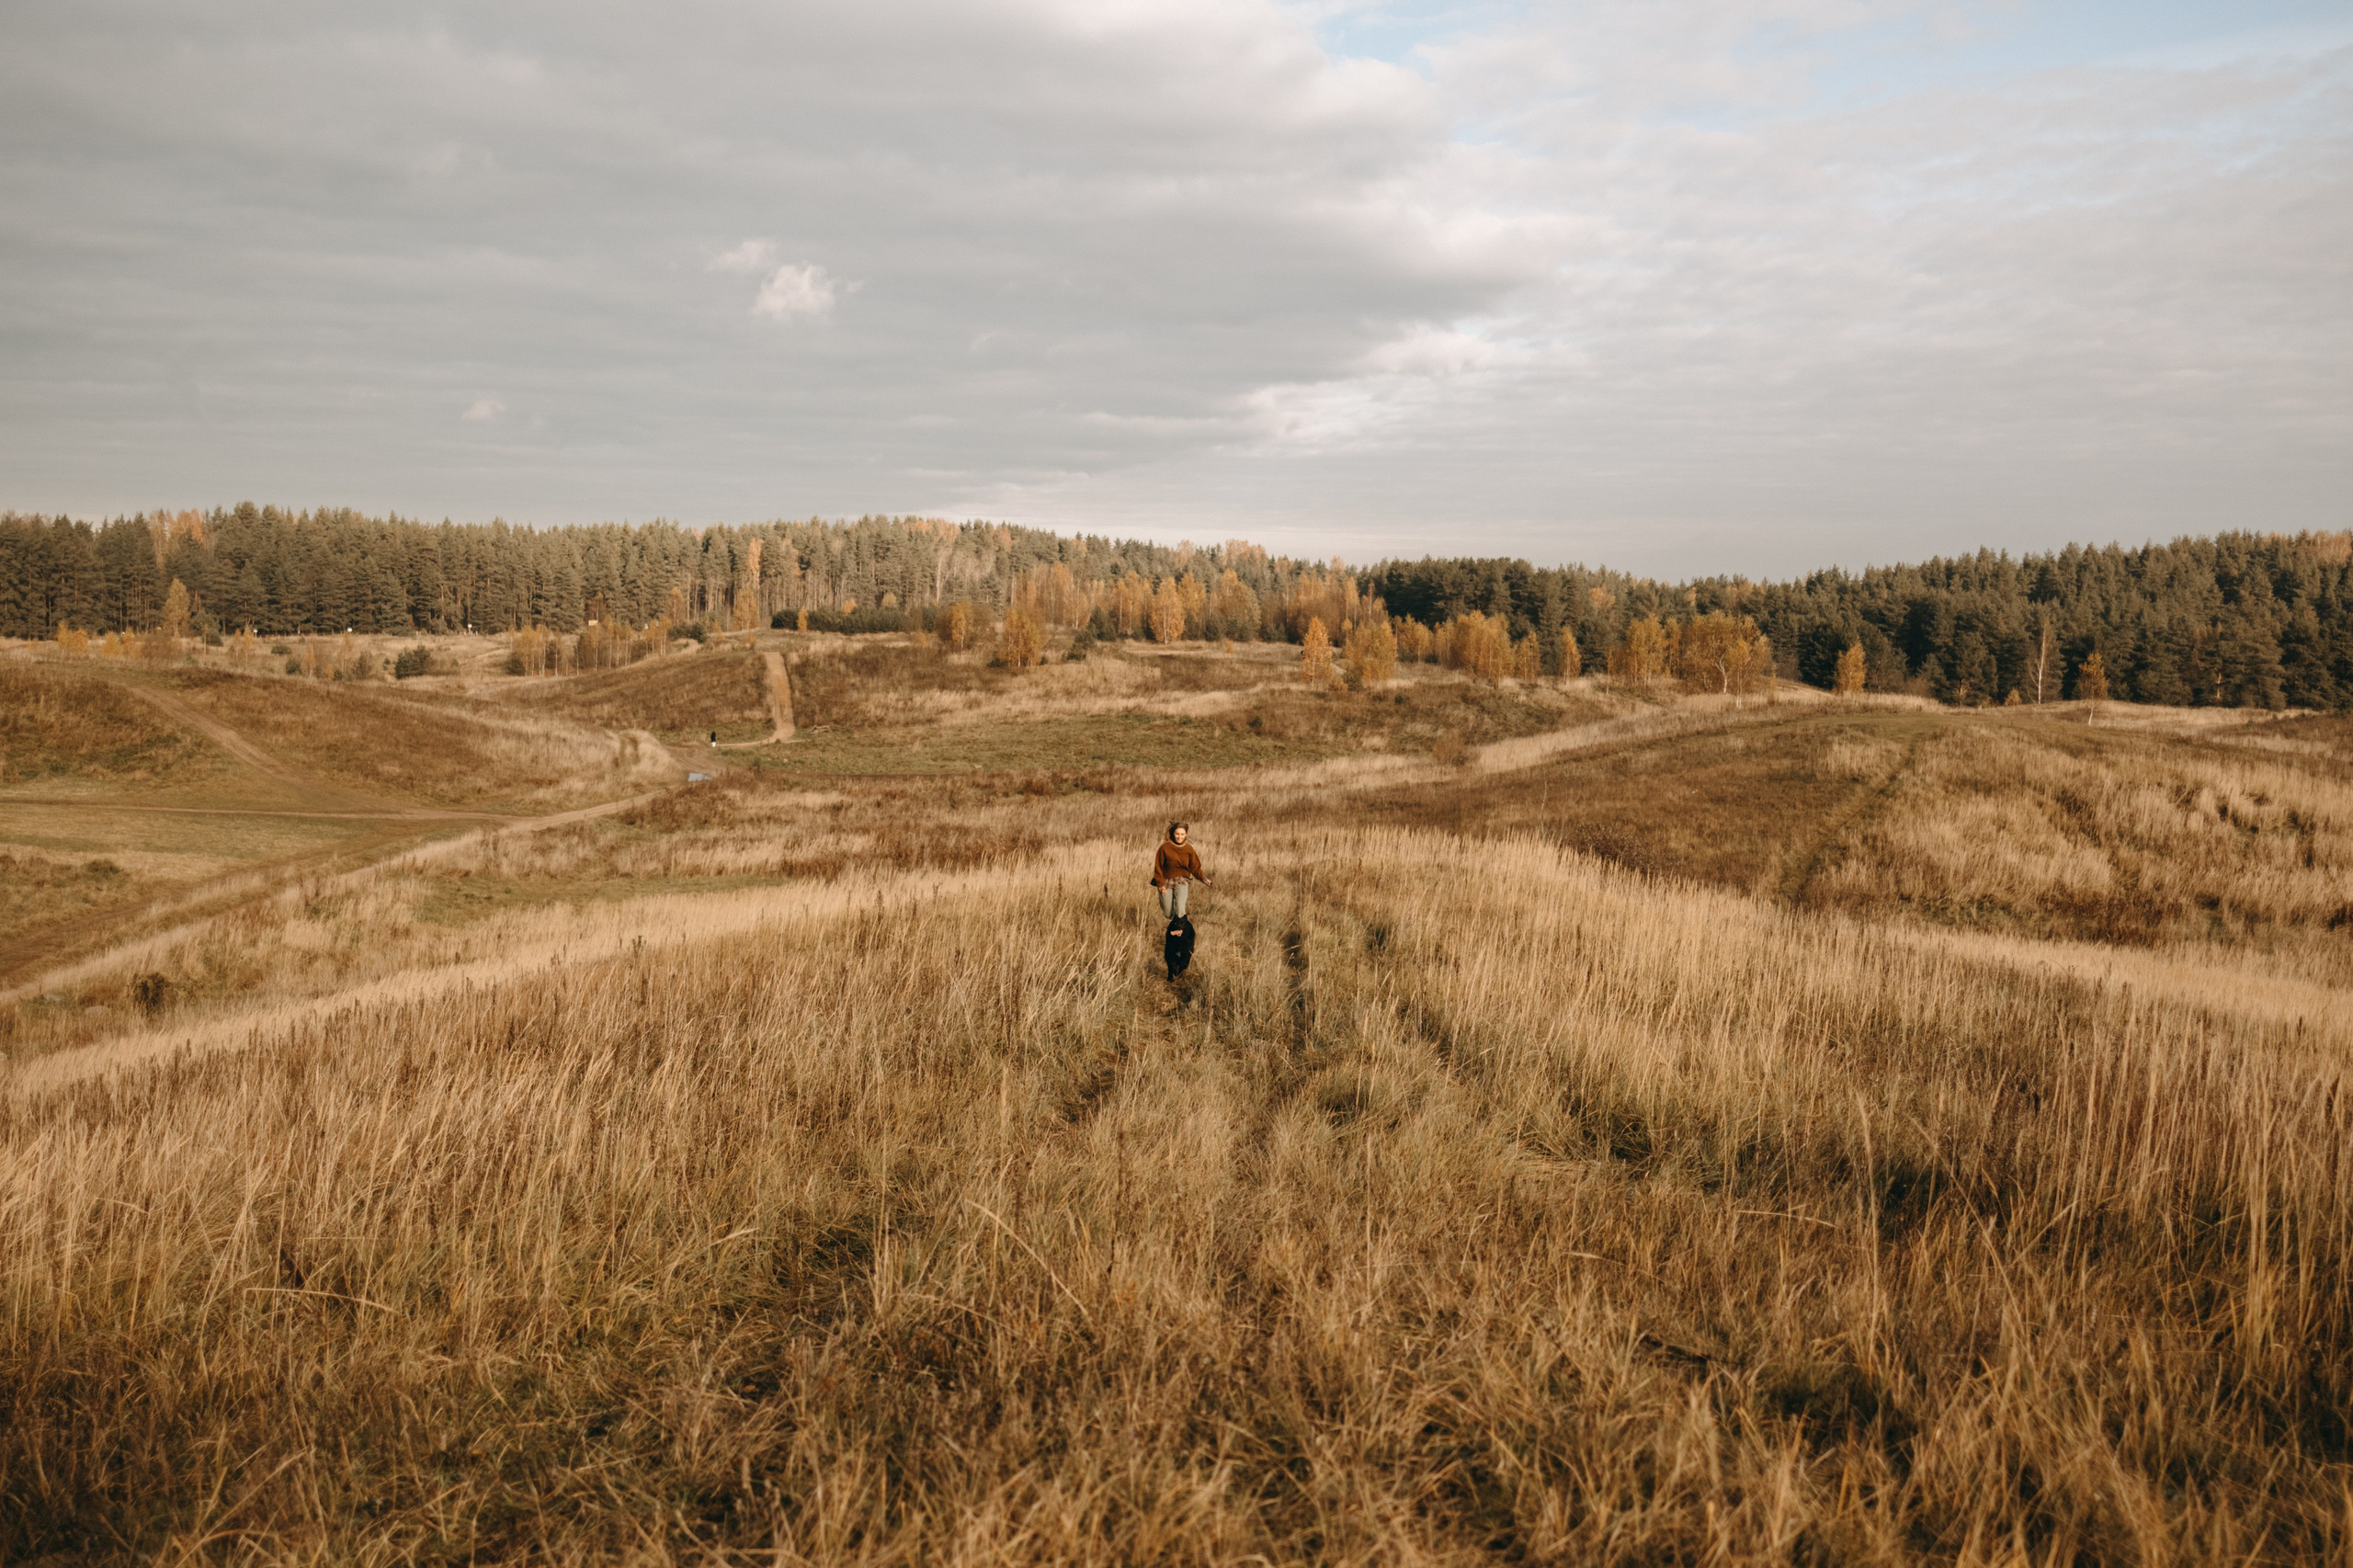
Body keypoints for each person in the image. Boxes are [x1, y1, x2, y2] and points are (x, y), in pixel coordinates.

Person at [1153, 821, 1211, 920]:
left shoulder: (1189, 849)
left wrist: (1204, 879)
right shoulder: (1164, 848)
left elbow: (1195, 867)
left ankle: (1180, 930)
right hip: (1166, 881)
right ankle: (1175, 920)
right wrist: (1161, 884)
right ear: (1173, 834)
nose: (1180, 837)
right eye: (1177, 834)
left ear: (1186, 835)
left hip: (1182, 881)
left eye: (1182, 834)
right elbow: (1158, 868)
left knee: (1180, 909)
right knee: (1168, 913)